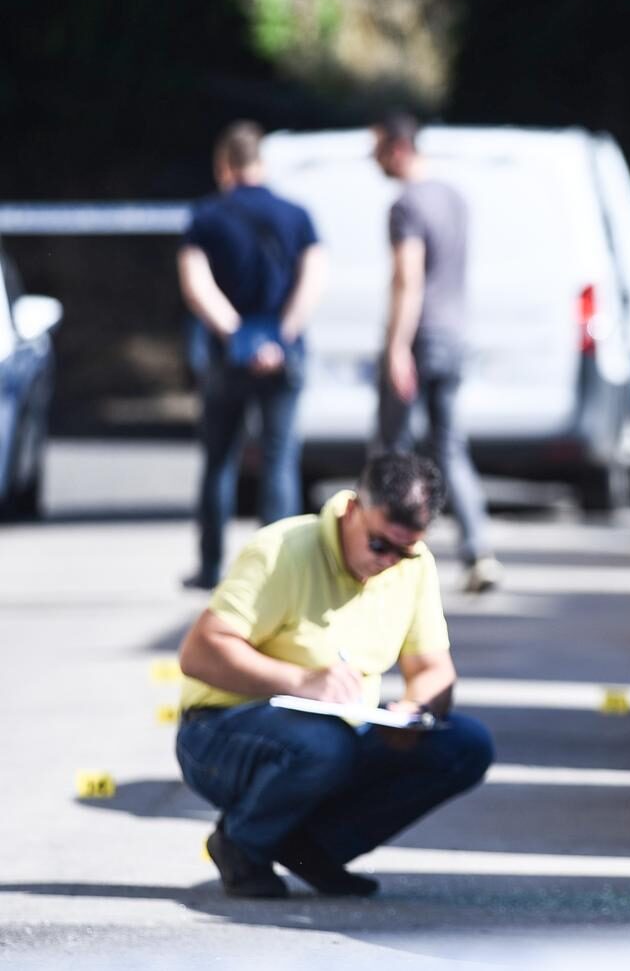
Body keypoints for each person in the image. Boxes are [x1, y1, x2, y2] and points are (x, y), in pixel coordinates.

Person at [175, 451, 495, 899]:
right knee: (324, 745)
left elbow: (432, 669)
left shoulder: (415, 566)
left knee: (465, 745)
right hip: (220, 732)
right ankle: (241, 843)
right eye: (379, 544)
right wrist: (299, 681)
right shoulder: (282, 550)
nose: (388, 561)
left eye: (403, 551)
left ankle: (312, 850)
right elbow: (199, 652)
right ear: (352, 509)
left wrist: (414, 710)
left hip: (336, 733)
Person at [179, 121, 326, 591]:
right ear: (262, 162)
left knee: (219, 461)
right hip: (285, 355)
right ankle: (277, 572)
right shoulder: (297, 216)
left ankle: (210, 567)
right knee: (279, 459)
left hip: (228, 357)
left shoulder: (206, 217)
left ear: (224, 165)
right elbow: (313, 280)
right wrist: (281, 337)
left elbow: (196, 285)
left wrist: (237, 336)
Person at [372, 112, 503, 594]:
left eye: (377, 149)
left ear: (398, 148)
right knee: (449, 446)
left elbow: (408, 278)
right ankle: (478, 550)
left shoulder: (406, 205)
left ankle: (387, 553)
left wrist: (397, 347)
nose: (373, 160)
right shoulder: (454, 197)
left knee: (394, 449)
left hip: (420, 335)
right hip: (454, 334)